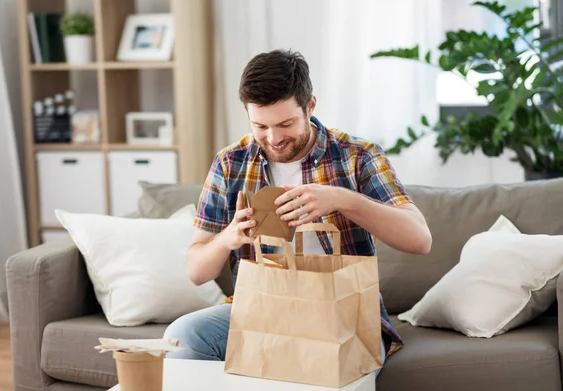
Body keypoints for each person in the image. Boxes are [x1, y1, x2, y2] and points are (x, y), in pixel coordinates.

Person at [163, 49, 432, 369]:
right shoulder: (230, 163)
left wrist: (342, 199)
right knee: (185, 335)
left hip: (344, 312)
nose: (273, 138)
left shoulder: (357, 155)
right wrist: (229, 237)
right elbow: (197, 271)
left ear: (310, 106)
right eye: (260, 126)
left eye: (286, 123)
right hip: (262, 307)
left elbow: (419, 240)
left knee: (312, 357)